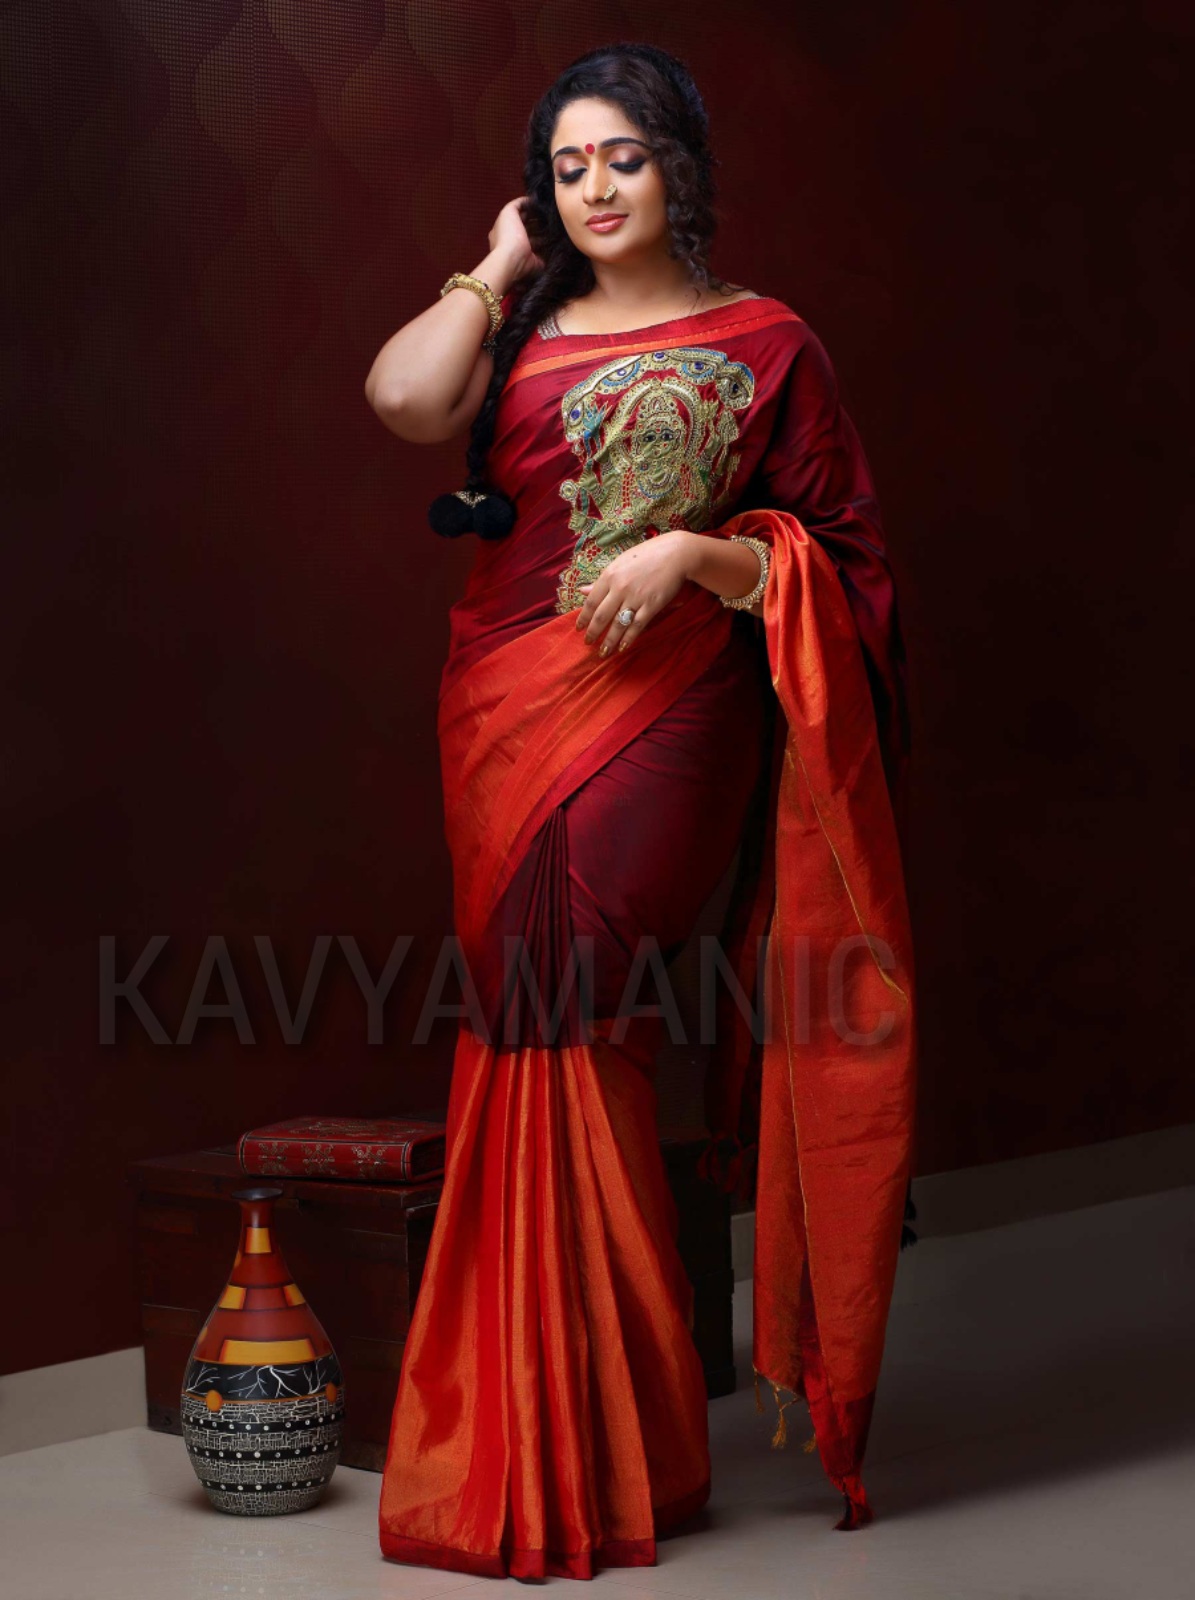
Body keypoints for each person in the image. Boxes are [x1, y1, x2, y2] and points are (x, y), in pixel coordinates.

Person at [363, 41, 916, 1584]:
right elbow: (402, 398)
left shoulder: (771, 342)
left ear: (681, 164)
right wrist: (494, 266)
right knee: (525, 1018)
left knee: (579, 1013)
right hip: (501, 711)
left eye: (623, 157)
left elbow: (848, 567)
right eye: (567, 168)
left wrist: (697, 558)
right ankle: (593, 1438)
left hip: (668, 715)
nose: (596, 188)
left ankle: (586, 1441)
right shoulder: (522, 324)